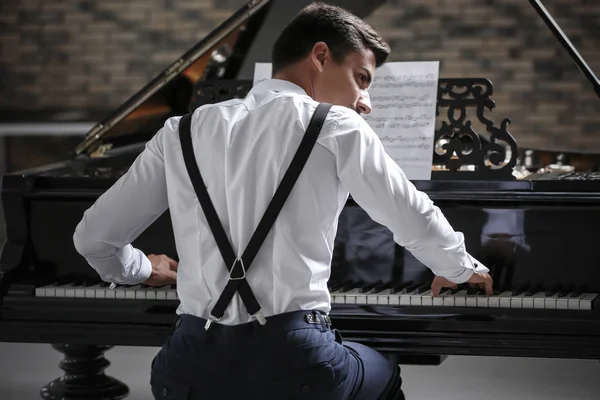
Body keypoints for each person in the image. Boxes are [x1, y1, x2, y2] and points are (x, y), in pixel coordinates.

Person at [73, 3, 493, 399]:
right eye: (362, 79)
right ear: (321, 56)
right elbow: (411, 215)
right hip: (295, 365)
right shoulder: (337, 125)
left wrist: (140, 267)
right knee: (383, 369)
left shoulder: (179, 131)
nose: (365, 102)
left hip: (185, 369)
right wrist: (459, 267)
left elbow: (93, 240)